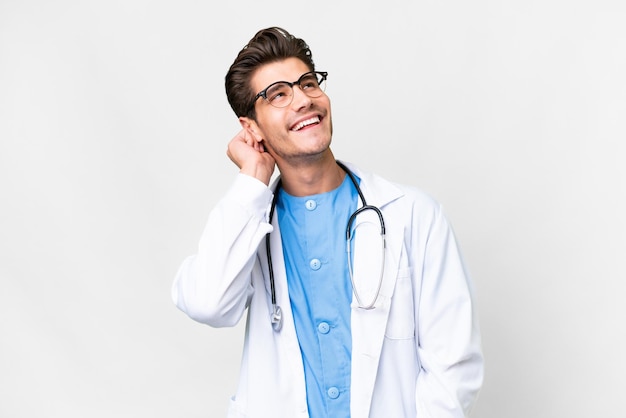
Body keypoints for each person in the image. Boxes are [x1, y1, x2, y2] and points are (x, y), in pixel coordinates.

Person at [172, 27, 483, 418]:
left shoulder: (412, 215)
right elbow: (208, 303)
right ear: (251, 128)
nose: (303, 99)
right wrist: (252, 177)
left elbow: (453, 368)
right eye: (279, 94)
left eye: (307, 83)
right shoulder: (250, 226)